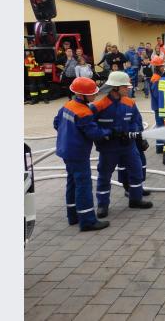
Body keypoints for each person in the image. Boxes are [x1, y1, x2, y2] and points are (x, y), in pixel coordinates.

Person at [91, 71, 153, 218]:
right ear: (115, 88)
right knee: (104, 176)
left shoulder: (130, 103)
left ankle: (135, 199)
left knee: (136, 171)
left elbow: (136, 121)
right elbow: (90, 125)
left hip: (128, 146)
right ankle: (102, 205)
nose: (129, 89)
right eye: (125, 87)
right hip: (109, 148)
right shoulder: (99, 105)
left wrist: (137, 136)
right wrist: (107, 133)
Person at [53, 77, 111, 232]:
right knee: (83, 185)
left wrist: (68, 133)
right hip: (78, 154)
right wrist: (108, 132)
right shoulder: (84, 112)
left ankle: (73, 216)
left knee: (72, 182)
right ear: (82, 95)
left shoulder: (67, 105)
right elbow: (94, 133)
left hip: (65, 150)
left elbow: (56, 123)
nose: (95, 96)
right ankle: (87, 221)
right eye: (92, 94)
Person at [148, 56, 165, 154]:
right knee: (160, 126)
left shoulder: (157, 77)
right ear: (157, 67)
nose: (163, 67)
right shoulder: (156, 78)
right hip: (159, 107)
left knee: (161, 126)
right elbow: (157, 95)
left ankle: (161, 146)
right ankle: (160, 147)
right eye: (162, 66)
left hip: (158, 106)